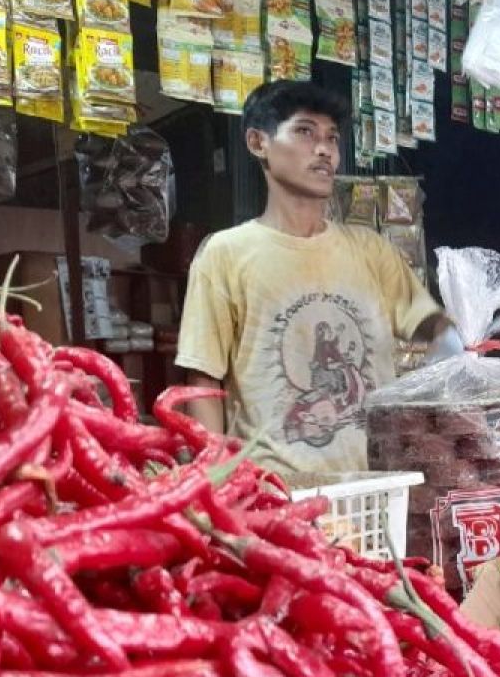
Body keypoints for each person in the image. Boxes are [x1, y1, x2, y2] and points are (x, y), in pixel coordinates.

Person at [176, 80, 455, 476]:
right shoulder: (225, 254)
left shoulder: (370, 250)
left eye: (332, 138)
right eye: (305, 132)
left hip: (374, 488)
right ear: (258, 143)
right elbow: (204, 378)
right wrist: (214, 481)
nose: (325, 149)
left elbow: (430, 327)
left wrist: (462, 335)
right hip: (274, 493)